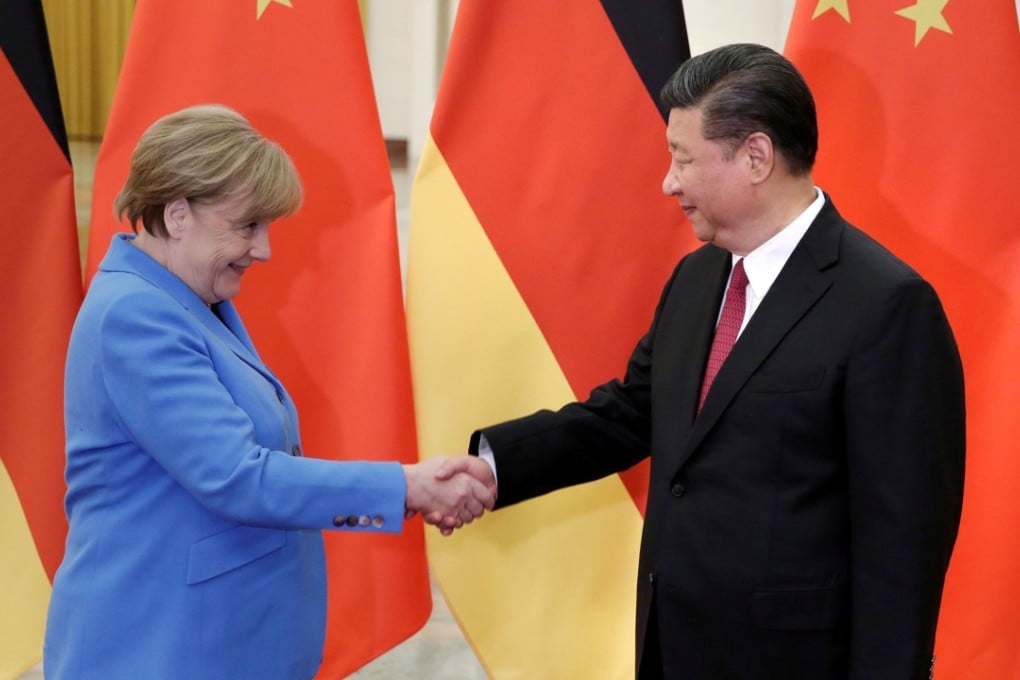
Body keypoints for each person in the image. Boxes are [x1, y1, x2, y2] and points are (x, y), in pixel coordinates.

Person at [444, 44, 965, 679]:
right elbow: (631, 412)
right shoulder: (697, 279)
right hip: (672, 645)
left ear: (756, 157)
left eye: (682, 159)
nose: (669, 182)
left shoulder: (887, 305)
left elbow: (903, 544)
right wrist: (493, 469)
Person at [43, 104, 493, 680]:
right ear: (177, 214)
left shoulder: (190, 300)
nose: (265, 250)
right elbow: (238, 476)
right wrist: (406, 486)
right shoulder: (136, 316)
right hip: (158, 646)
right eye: (246, 226)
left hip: (216, 641)